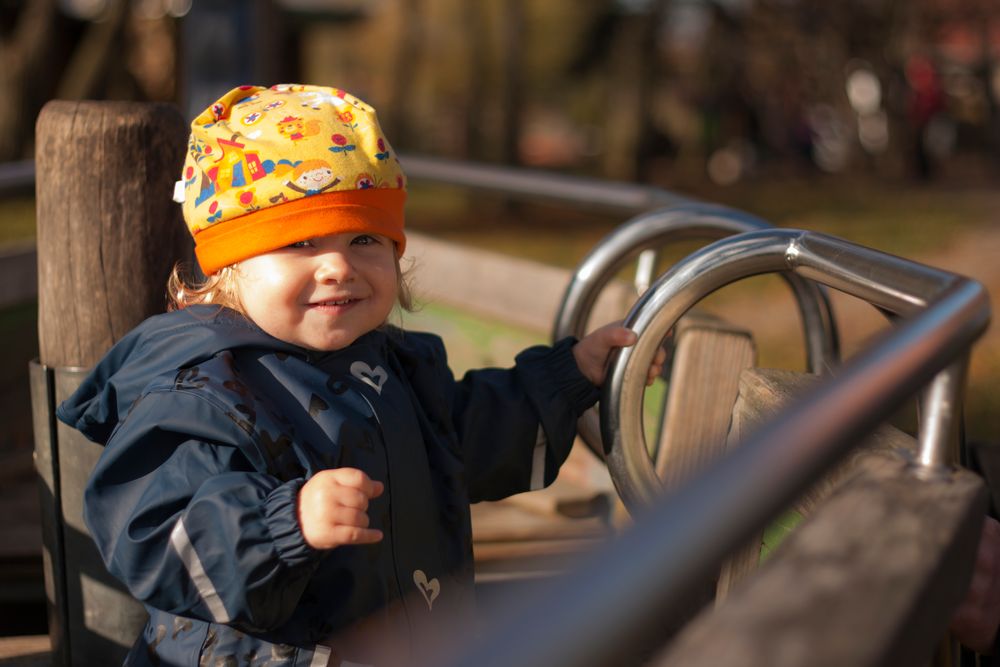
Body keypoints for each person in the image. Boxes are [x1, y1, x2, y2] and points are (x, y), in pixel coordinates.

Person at [56, 83, 662, 667]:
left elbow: (461, 438)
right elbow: (159, 539)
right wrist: (283, 523)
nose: (339, 266)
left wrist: (570, 376)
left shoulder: (388, 365)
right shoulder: (203, 393)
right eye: (300, 243)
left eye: (366, 237)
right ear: (228, 271)